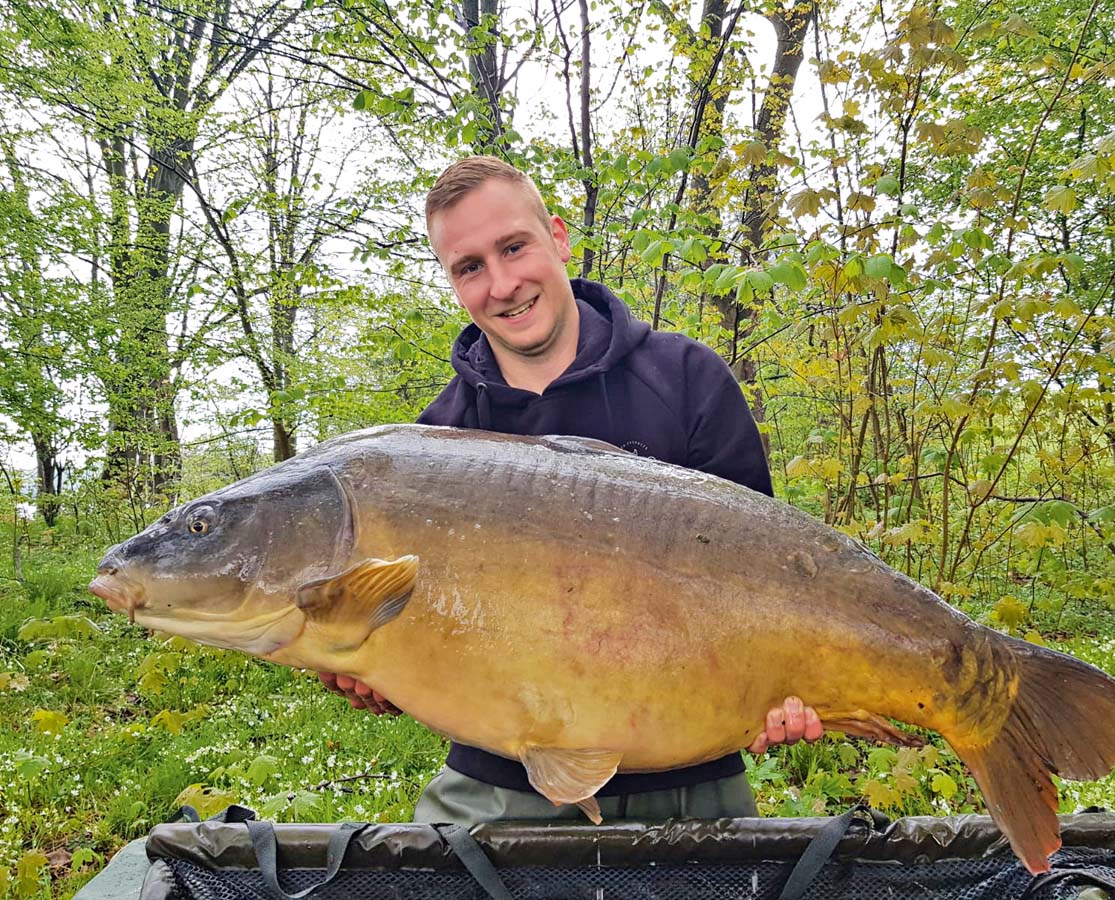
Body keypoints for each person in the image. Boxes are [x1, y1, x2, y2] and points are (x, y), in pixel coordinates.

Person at [320, 155, 823, 824]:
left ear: (557, 238)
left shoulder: (688, 382)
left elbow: (776, 582)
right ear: (451, 283)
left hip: (689, 780)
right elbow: (405, 638)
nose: (501, 284)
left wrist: (794, 689)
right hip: (495, 782)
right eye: (469, 267)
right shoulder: (433, 445)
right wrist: (373, 668)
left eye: (513, 247)